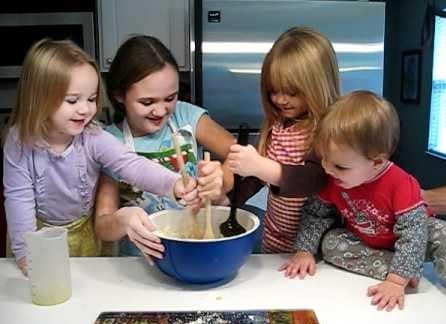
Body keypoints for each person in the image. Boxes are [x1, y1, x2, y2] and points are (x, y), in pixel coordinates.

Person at [3, 39, 198, 276]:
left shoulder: (93, 136)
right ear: (39, 98)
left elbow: (131, 165)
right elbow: (18, 198)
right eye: (73, 100)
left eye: (91, 99)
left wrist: (173, 183)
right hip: (37, 237)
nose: (85, 109)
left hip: (85, 235)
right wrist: (26, 253)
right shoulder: (19, 141)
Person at [281, 90, 446, 314]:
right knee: (330, 243)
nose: (327, 168)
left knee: (444, 232)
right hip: (370, 242)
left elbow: (414, 231)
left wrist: (395, 282)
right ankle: (406, 269)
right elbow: (316, 213)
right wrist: (304, 250)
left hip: (416, 239)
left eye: (340, 166)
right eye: (324, 158)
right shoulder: (332, 178)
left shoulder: (401, 183)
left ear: (376, 162)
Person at [94, 35, 236, 258]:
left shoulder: (187, 116)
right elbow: (102, 226)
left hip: (195, 245)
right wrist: (123, 219)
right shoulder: (107, 142)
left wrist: (221, 180)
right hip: (141, 259)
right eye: (147, 102)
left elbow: (240, 156)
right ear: (119, 95)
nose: (160, 111)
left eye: (170, 98)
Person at [226, 27, 339, 253]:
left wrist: (261, 166)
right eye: (273, 91)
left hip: (316, 247)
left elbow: (313, 179)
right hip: (276, 237)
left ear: (317, 85)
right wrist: (228, 200)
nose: (279, 99)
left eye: (291, 92)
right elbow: (258, 180)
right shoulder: (278, 127)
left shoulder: (328, 132)